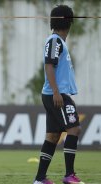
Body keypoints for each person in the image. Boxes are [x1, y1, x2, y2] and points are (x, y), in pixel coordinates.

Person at [33, 5, 84, 184]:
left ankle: (40, 179)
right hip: (57, 94)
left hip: (54, 94)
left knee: (53, 136)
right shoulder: (54, 41)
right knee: (74, 129)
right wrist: (56, 92)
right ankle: (70, 175)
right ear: (69, 22)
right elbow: (49, 65)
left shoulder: (58, 42)